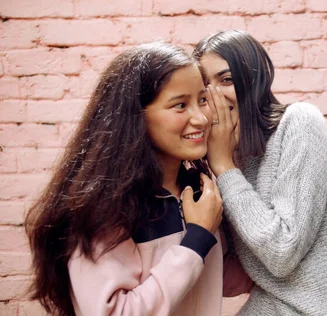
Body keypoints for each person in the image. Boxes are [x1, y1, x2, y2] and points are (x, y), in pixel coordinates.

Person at [25, 42, 227, 316]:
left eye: (202, 100)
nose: (201, 118)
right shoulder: (105, 209)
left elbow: (228, 280)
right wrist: (197, 240)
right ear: (136, 118)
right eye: (180, 105)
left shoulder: (199, 191)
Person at [192, 30, 327, 315]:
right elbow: (234, 274)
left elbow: (282, 252)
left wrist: (223, 167)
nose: (215, 97)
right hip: (272, 304)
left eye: (227, 80)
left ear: (253, 80)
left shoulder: (299, 123)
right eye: (204, 88)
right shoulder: (229, 152)